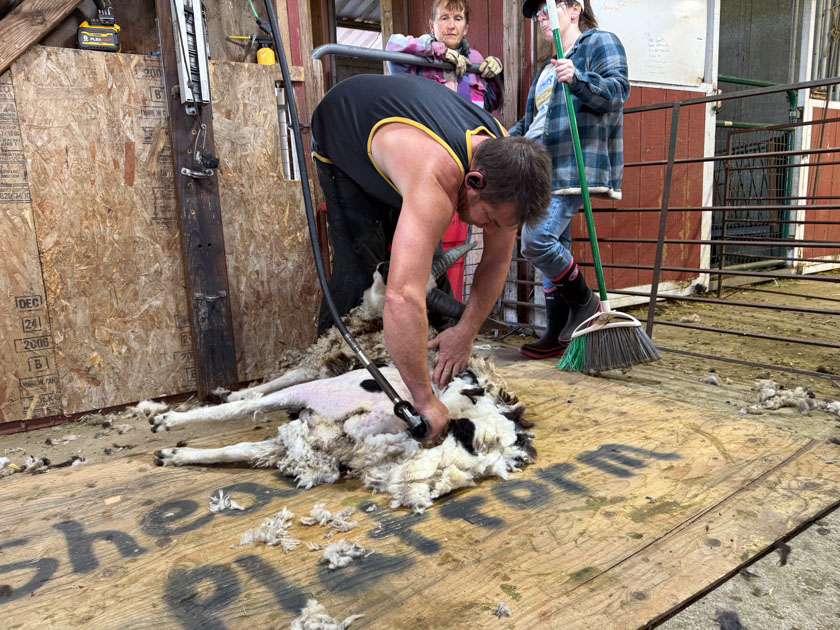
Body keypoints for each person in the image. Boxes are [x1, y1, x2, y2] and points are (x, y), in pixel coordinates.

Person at [310, 73, 551, 440]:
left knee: (428, 281)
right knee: (360, 271)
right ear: (473, 183)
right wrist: (423, 402)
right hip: (344, 134)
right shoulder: (435, 176)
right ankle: (324, 377)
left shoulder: (507, 167)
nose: (489, 228)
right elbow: (401, 295)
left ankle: (403, 364)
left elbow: (497, 261)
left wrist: (466, 332)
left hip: (401, 146)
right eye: (487, 220)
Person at [511, 0, 629, 359]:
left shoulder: (599, 43)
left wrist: (577, 78)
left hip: (568, 165)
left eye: (547, 8)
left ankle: (586, 302)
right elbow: (530, 122)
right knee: (553, 246)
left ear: (574, 8)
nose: (541, 18)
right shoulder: (544, 71)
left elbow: (618, 91)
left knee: (536, 241)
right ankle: (556, 332)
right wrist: (498, 139)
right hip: (537, 168)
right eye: (538, 14)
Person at [385, 0, 503, 112]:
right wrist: (438, 50)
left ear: (466, 28)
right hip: (427, 131)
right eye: (444, 18)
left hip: (469, 131)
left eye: (458, 18)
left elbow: (490, 103)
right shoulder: (417, 57)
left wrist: (495, 75)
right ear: (432, 26)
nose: (451, 26)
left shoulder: (476, 58)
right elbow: (392, 45)